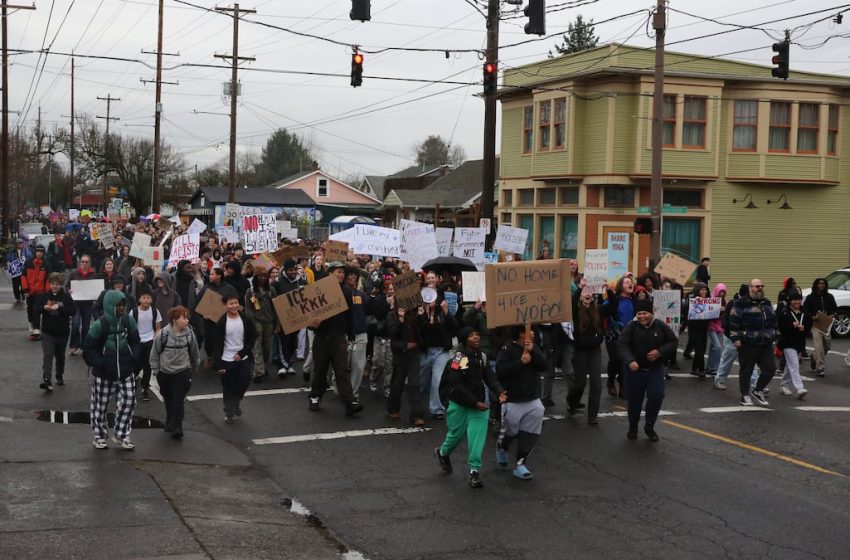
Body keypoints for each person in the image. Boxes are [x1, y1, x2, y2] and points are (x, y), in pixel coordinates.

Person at [434, 327, 506, 489]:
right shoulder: (459, 358)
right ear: (464, 339)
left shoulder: (481, 357)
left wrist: (500, 392)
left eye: (477, 334)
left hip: (478, 406)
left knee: (477, 438)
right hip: (459, 404)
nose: (476, 338)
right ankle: (443, 453)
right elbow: (456, 382)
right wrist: (474, 402)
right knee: (456, 435)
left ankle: (474, 470)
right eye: (471, 335)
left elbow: (489, 377)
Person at [83, 290, 141, 450]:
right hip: (103, 374)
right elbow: (88, 349)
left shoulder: (128, 321)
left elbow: (136, 341)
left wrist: (133, 357)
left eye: (123, 304)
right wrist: (100, 363)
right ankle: (99, 437)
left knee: (129, 401)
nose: (122, 307)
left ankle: (121, 434)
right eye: (118, 305)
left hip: (125, 371)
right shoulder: (99, 325)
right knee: (99, 406)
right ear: (110, 305)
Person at [617, 299, 678, 441]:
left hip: (655, 370)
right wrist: (629, 360)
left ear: (651, 313)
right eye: (639, 313)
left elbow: (673, 342)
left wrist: (660, 352)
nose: (641, 317)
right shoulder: (631, 327)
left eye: (644, 313)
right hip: (635, 371)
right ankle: (633, 426)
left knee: (657, 396)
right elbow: (621, 345)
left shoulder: (660, 326)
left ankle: (649, 426)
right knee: (634, 401)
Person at [307, 262, 362, 416]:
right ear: (330, 273)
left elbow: (349, 316)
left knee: (342, 371)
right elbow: (308, 314)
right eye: (338, 272)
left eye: (343, 272)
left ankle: (349, 402)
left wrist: (351, 335)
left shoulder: (346, 291)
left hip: (338, 338)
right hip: (322, 337)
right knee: (320, 370)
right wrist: (312, 325)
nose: (341, 275)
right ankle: (315, 397)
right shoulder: (319, 289)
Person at [495, 326, 546, 480]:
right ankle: (501, 446)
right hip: (513, 400)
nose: (533, 333)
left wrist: (534, 352)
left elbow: (544, 366)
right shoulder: (507, 349)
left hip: (532, 398)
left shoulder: (534, 347)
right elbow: (500, 371)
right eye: (530, 330)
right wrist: (520, 362)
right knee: (511, 431)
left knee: (530, 432)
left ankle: (520, 463)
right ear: (521, 333)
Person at [150, 306, 201, 439]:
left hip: (182, 372)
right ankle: (170, 421)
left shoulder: (190, 334)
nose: (187, 321)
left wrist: (196, 365)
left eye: (187, 318)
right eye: (184, 318)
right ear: (174, 320)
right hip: (165, 373)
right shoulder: (163, 334)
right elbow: (154, 353)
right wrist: (156, 370)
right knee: (169, 399)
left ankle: (177, 426)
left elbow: (194, 351)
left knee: (178, 400)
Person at [729, 279, 778, 407]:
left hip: (766, 342)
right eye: (757, 286)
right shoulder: (741, 303)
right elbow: (733, 321)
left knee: (770, 369)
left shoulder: (766, 302)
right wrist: (735, 338)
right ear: (750, 288)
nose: (760, 288)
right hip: (748, 342)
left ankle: (758, 389)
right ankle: (745, 394)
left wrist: (775, 335)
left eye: (761, 286)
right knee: (746, 370)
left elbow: (773, 320)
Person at [213, 293, 256, 424]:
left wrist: (242, 353)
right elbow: (217, 344)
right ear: (225, 306)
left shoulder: (246, 319)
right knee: (228, 386)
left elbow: (252, 337)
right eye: (231, 303)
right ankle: (229, 410)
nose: (234, 306)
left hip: (243, 358)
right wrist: (219, 365)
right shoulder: (221, 322)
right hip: (227, 359)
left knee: (244, 381)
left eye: (236, 303)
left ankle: (236, 402)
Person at [569, 286, 605, 424]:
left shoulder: (597, 309)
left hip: (595, 350)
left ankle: (592, 415)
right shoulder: (575, 310)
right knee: (580, 383)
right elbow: (571, 304)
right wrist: (579, 288)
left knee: (596, 383)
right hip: (580, 350)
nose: (588, 294)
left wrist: (606, 290)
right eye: (585, 291)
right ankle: (572, 401)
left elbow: (613, 305)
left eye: (590, 291)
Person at [418, 289, 456, 419]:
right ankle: (417, 407)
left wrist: (446, 312)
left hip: (441, 352)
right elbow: (419, 331)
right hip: (425, 352)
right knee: (420, 382)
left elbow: (454, 327)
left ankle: (437, 409)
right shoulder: (421, 313)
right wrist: (421, 316)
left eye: (432, 299)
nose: (430, 301)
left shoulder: (442, 314)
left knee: (436, 381)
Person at [35, 272, 76, 391]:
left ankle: (59, 375)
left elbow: (73, 311)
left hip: (62, 332)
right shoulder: (45, 296)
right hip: (47, 332)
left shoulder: (66, 297)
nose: (54, 286)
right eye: (53, 284)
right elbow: (36, 309)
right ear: (50, 284)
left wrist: (60, 308)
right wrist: (44, 308)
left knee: (60, 356)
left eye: (57, 284)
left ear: (61, 285)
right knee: (48, 356)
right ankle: (47, 380)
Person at [387, 305, 425, 426]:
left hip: (414, 353)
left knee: (414, 383)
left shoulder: (416, 314)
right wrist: (400, 320)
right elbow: (392, 332)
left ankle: (416, 415)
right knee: (397, 382)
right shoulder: (392, 314)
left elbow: (424, 331)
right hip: (400, 353)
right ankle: (393, 408)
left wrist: (421, 316)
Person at [196, 267, 237, 367]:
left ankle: (220, 361)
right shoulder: (207, 287)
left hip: (224, 320)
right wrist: (203, 314)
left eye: (212, 274)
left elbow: (234, 301)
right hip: (209, 321)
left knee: (222, 340)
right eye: (210, 274)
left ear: (219, 276)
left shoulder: (228, 288)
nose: (210, 276)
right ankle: (210, 356)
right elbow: (199, 303)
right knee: (209, 341)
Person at [602, 276, 635, 398]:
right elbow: (604, 310)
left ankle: (623, 386)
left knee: (626, 361)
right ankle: (610, 380)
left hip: (629, 336)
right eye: (627, 282)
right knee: (615, 360)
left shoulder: (634, 300)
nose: (630, 283)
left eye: (631, 282)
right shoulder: (614, 300)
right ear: (621, 286)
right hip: (614, 335)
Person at [244, 267, 277, 382]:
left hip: (269, 321)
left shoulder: (271, 290)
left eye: (264, 276)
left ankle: (262, 366)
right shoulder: (250, 291)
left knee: (266, 347)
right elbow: (248, 309)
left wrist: (277, 324)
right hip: (256, 321)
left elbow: (276, 307)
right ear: (256, 277)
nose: (263, 278)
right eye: (260, 276)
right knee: (256, 347)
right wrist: (252, 323)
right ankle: (258, 372)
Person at [777, 292, 811, 400]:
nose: (797, 302)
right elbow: (780, 328)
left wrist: (804, 328)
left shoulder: (805, 312)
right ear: (789, 301)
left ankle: (784, 385)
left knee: (790, 365)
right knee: (794, 365)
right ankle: (800, 388)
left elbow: (809, 325)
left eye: (798, 299)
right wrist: (791, 325)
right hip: (787, 342)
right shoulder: (784, 312)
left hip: (799, 343)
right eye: (794, 299)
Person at [273, 259, 304, 376]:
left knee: (292, 342)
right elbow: (273, 300)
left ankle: (288, 363)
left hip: (297, 318)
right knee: (283, 342)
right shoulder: (277, 283)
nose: (293, 272)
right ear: (285, 271)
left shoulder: (300, 282)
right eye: (291, 270)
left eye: (295, 270)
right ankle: (282, 366)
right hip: (282, 319)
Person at [132, 287, 162, 402]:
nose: (146, 300)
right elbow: (130, 327)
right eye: (144, 298)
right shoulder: (134, 312)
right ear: (139, 299)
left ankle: (145, 389)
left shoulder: (155, 311)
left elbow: (158, 327)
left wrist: (156, 339)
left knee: (148, 366)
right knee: (136, 364)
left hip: (150, 341)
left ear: (151, 300)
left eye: (148, 298)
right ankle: (134, 379)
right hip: (137, 342)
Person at [66, 254, 100, 356]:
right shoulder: (74, 274)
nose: (84, 264)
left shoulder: (94, 274)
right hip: (76, 303)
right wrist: (69, 290)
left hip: (88, 304)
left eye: (86, 262)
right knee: (75, 324)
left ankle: (84, 346)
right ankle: (73, 345)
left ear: (89, 263)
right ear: (80, 263)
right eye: (83, 262)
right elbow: (67, 286)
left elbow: (97, 288)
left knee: (85, 326)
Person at [345, 267, 370, 399]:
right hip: (344, 335)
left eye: (356, 275)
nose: (353, 277)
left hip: (360, 333)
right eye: (350, 275)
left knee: (358, 366)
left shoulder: (361, 295)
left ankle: (353, 394)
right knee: (343, 364)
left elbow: (369, 308)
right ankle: (338, 384)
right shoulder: (340, 293)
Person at [803, 278, 837, 377]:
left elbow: (834, 309)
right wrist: (812, 317)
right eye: (819, 283)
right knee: (819, 346)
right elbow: (805, 310)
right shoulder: (810, 297)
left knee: (827, 345)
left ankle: (814, 357)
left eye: (823, 283)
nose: (821, 285)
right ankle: (820, 367)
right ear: (816, 285)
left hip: (826, 323)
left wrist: (833, 315)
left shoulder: (830, 297)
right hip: (815, 324)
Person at [22, 245, 50, 340]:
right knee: (30, 310)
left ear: (43, 253)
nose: (39, 253)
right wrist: (25, 290)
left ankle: (36, 328)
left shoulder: (46, 264)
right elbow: (23, 276)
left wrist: (47, 292)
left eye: (41, 252)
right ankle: (31, 324)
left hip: (40, 292)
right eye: (38, 251)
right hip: (29, 292)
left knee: (36, 309)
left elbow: (47, 279)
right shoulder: (28, 263)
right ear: (35, 252)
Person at [684, 282, 710, 378]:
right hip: (694, 327)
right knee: (699, 348)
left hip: (703, 328)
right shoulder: (692, 299)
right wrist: (694, 301)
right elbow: (685, 308)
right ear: (697, 290)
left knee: (702, 348)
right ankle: (701, 370)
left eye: (705, 290)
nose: (704, 292)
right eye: (702, 290)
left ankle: (694, 369)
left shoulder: (708, 300)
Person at [706, 283, 727, 376]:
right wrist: (718, 309)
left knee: (713, 348)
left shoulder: (724, 301)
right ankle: (715, 368)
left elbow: (725, 315)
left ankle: (709, 367)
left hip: (719, 326)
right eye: (720, 291)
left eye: (723, 292)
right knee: (718, 347)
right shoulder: (711, 300)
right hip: (711, 326)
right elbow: (707, 313)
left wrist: (724, 310)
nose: (722, 294)